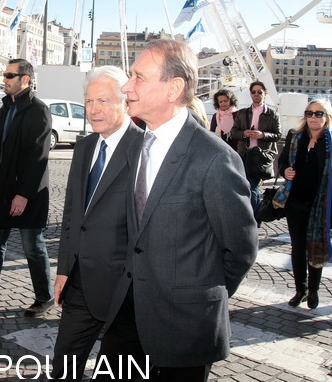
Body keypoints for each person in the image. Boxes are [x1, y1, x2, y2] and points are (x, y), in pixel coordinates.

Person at [97, 40, 258, 382]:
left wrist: (198, 294)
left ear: (174, 88)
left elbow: (240, 248)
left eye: (138, 77)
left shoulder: (214, 158)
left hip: (183, 327)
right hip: (127, 315)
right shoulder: (136, 145)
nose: (126, 86)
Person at [52, 66, 142, 379]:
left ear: (125, 103)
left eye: (103, 101)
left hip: (125, 290)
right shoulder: (85, 146)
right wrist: (64, 267)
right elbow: (73, 214)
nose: (93, 110)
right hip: (79, 283)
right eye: (89, 101)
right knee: (63, 367)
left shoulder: (144, 150)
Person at [0, 58, 54, 317]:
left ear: (25, 80)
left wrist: (23, 195)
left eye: (9, 75)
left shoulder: (38, 110)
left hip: (28, 193)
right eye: (4, 74)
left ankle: (45, 297)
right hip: (2, 189)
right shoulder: (6, 108)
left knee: (33, 246)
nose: (4, 79)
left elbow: (38, 158)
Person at [278, 100, 332, 309]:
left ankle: (313, 290)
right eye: (309, 113)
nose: (313, 117)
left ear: (327, 116)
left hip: (320, 204)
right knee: (297, 248)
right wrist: (285, 171)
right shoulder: (295, 137)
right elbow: (283, 162)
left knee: (316, 247)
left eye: (318, 114)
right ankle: (300, 290)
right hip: (295, 201)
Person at [230, 81, 282, 213]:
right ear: (250, 94)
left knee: (252, 186)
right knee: (246, 186)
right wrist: (243, 133)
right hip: (244, 154)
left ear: (265, 94)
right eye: (254, 92)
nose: (256, 94)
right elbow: (233, 132)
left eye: (260, 92)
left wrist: (262, 135)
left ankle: (253, 216)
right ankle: (252, 214)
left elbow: (277, 135)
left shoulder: (272, 114)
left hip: (260, 155)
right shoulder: (242, 113)